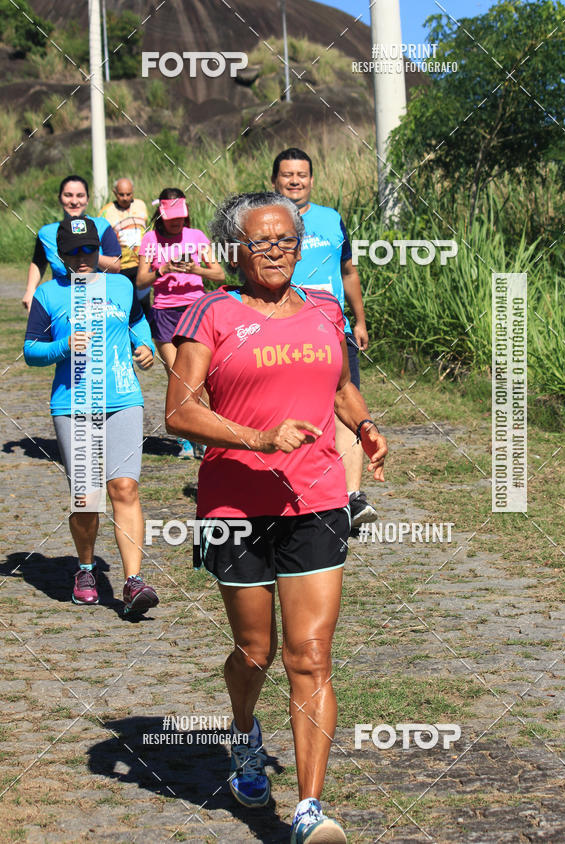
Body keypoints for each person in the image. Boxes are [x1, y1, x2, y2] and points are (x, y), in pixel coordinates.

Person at [165, 192, 387, 843]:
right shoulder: (211, 312)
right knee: (254, 652)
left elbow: (339, 384)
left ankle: (310, 810)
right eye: (262, 243)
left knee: (310, 656)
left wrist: (366, 425)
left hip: (316, 500)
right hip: (235, 505)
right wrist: (258, 439)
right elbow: (179, 411)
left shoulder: (322, 307)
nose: (277, 253)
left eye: (287, 241)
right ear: (235, 249)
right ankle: (242, 733)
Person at [23, 217, 159, 618]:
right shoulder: (49, 295)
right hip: (74, 403)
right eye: (74, 252)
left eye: (89, 250)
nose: (83, 259)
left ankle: (133, 582)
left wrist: (146, 347)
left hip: (123, 397)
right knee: (87, 498)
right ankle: (85, 569)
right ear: (61, 255)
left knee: (125, 488)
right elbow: (31, 351)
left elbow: (137, 322)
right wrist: (62, 346)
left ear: (98, 252)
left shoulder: (120, 285)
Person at [271, 147, 378, 532]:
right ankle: (292, 492)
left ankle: (352, 498)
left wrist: (359, 320)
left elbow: (348, 270)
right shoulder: (266, 221)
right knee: (288, 413)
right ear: (275, 181)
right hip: (283, 331)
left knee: (346, 410)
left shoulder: (332, 220)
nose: (295, 180)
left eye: (301, 174)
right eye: (287, 175)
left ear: (312, 180)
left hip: (334, 329)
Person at [137, 187, 225, 459]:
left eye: (180, 216)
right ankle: (187, 439)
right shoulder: (150, 239)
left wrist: (194, 269)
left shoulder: (196, 237)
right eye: (171, 216)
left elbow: (219, 274)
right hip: (164, 312)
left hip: (195, 310)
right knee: (178, 375)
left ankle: (210, 434)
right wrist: (162, 270)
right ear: (161, 214)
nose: (176, 221)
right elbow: (140, 282)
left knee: (201, 375)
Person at [22, 175, 122, 312]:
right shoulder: (46, 233)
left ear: (87, 199)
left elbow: (115, 266)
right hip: (63, 300)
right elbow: (38, 263)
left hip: (101, 299)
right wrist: (30, 290)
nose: (74, 201)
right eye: (68, 195)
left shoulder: (102, 226)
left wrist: (87, 253)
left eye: (80, 195)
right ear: (59, 198)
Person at [100, 177, 152, 319]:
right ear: (114, 192)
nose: (125, 198)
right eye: (121, 194)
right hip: (120, 266)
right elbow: (100, 237)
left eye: (128, 194)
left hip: (141, 263)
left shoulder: (141, 205)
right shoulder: (105, 212)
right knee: (125, 303)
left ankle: (146, 337)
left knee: (144, 302)